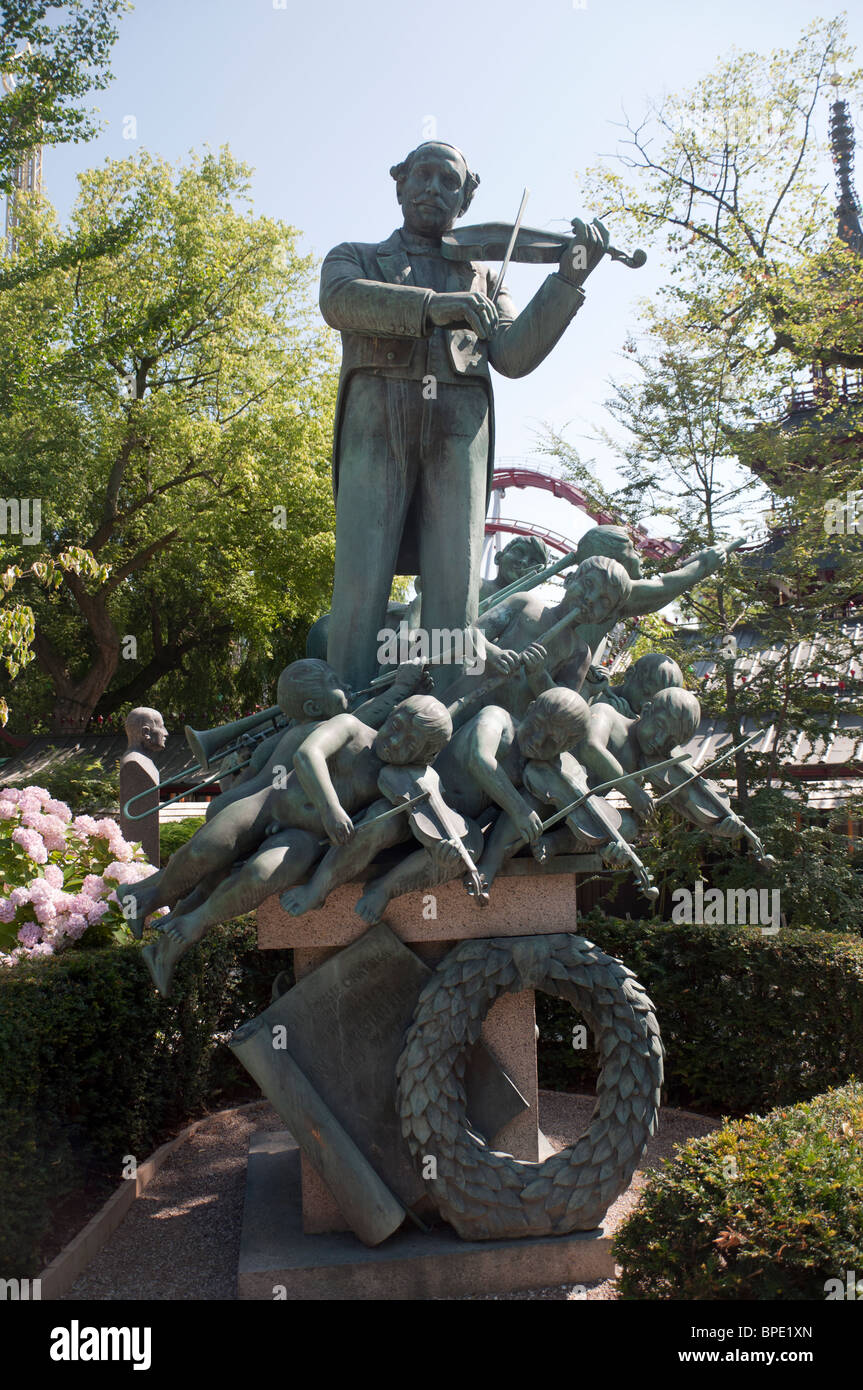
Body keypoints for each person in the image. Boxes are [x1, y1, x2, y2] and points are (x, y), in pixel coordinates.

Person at [320, 139, 609, 693]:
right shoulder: (353, 256)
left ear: (465, 199)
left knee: (456, 591)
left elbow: (514, 355)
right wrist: (434, 307)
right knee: (360, 583)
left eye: (449, 181)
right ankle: (343, 719)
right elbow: (340, 301)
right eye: (423, 176)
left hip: (459, 433)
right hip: (376, 427)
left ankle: (451, 711)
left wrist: (570, 275)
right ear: (399, 183)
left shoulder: (485, 278)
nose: (433, 189)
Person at [142, 693, 453, 995]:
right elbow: (308, 755)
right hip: (267, 806)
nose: (395, 741)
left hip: (303, 839)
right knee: (202, 851)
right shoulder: (350, 727)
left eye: (410, 744)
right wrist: (331, 809)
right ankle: (146, 900)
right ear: (393, 712)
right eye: (397, 726)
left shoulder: (400, 782)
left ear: (425, 757)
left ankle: (191, 926)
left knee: (261, 875)